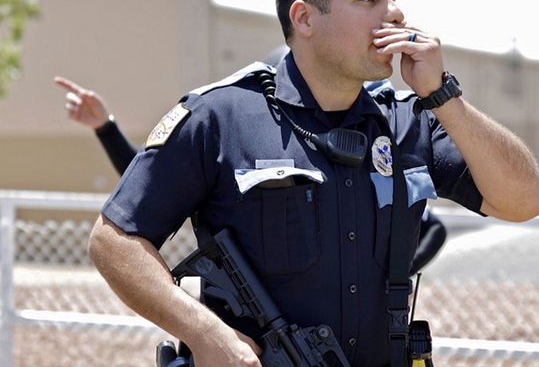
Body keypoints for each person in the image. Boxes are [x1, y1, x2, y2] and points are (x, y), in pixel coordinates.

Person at [87, 0, 539, 367]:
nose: (395, 13)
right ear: (304, 18)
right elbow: (115, 240)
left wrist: (442, 95)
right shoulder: (222, 117)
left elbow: (525, 200)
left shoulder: (405, 120)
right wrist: (202, 332)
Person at [56, 75, 449, 271]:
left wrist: (390, 275)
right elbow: (147, 189)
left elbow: (435, 228)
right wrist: (105, 127)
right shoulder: (235, 130)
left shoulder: (374, 148)